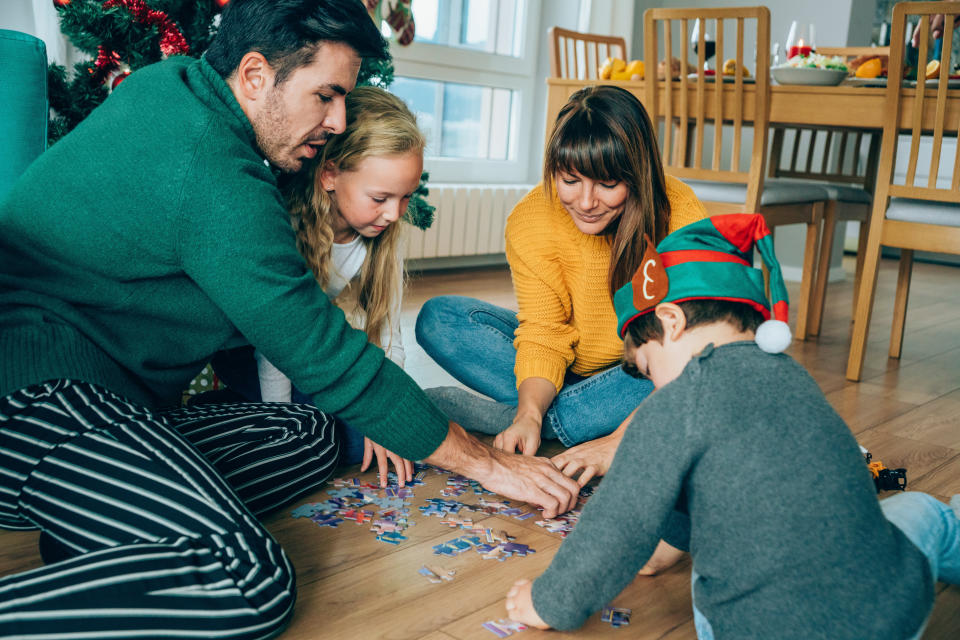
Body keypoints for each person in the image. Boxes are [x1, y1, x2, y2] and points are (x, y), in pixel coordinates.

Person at [0, 1, 577, 637]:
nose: (337, 121)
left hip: (123, 401)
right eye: (326, 96)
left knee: (311, 431)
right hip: (35, 394)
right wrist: (490, 467)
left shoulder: (180, 87)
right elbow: (319, 350)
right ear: (254, 75)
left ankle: (104, 532)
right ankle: (118, 529)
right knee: (246, 581)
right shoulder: (213, 171)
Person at [502, 213, 960, 638]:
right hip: (891, 616)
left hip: (756, 629)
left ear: (671, 321)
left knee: (718, 561)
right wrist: (661, 551)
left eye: (647, 367)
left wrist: (547, 604)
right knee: (918, 509)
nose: (654, 384)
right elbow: (720, 469)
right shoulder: (794, 377)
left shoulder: (676, 404)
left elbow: (617, 523)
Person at [416, 85, 708, 456]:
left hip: (633, 373)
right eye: (570, 180)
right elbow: (544, 331)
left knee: (693, 365)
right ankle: (562, 418)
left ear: (637, 175)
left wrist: (612, 445)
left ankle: (499, 417)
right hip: (568, 366)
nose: (586, 202)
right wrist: (529, 414)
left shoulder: (679, 211)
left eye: (607, 184)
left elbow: (689, 344)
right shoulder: (531, 218)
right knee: (438, 319)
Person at [212, 84, 422, 486]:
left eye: (406, 197)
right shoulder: (284, 226)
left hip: (306, 353)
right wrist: (282, 423)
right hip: (247, 353)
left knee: (393, 428)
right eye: (380, 197)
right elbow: (275, 343)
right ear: (329, 175)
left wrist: (385, 405)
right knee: (359, 440)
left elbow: (373, 338)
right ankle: (225, 409)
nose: (395, 213)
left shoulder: (371, 235)